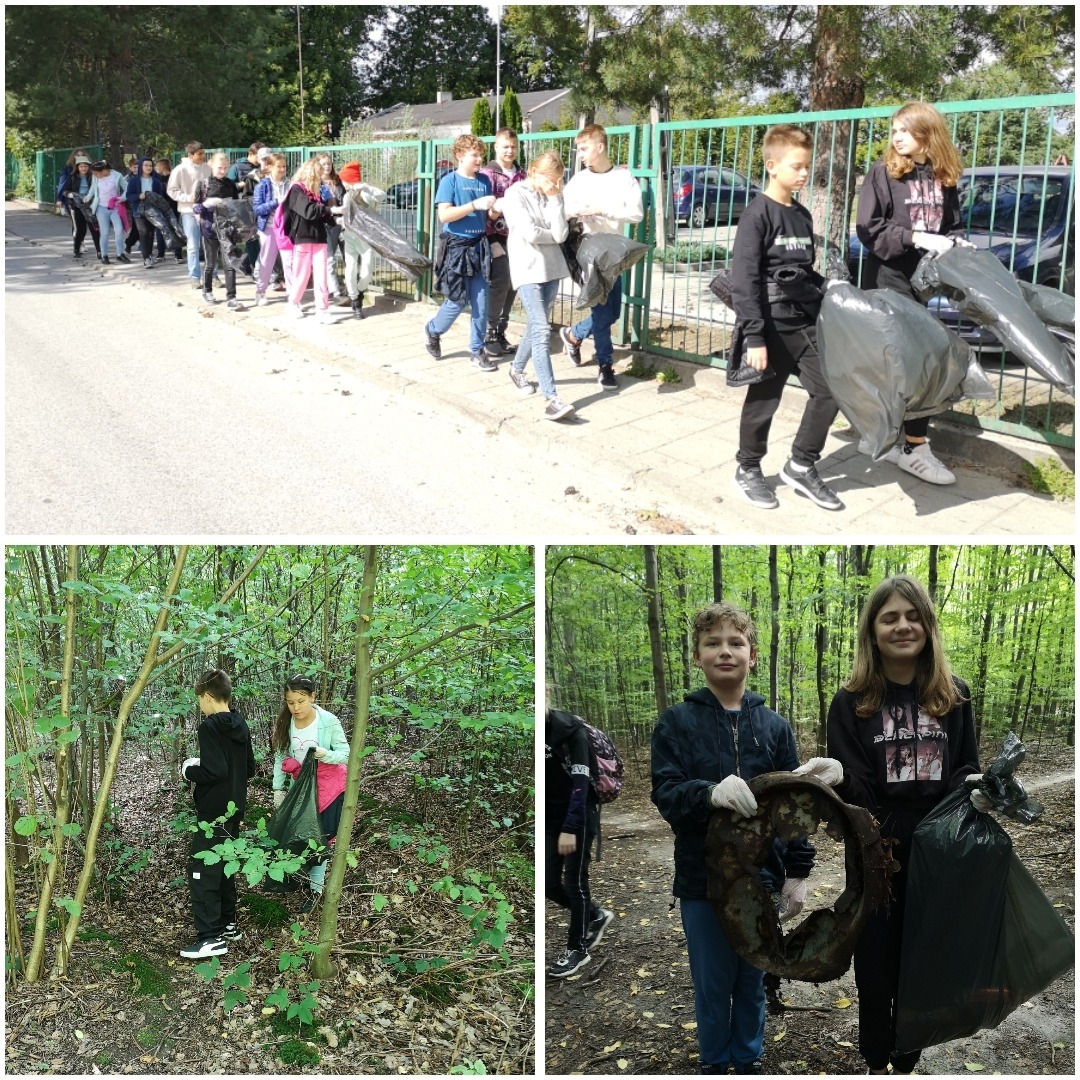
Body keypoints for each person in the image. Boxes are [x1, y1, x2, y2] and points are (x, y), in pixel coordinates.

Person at [817, 573, 980, 1075]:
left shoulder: (955, 694)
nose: (902, 626)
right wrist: (839, 776)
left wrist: (978, 789)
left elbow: (963, 769)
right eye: (890, 617)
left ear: (928, 626)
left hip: (937, 849)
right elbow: (858, 793)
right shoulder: (851, 701)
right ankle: (874, 1059)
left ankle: (908, 1057)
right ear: (872, 630)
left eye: (913, 616)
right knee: (876, 961)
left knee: (922, 957)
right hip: (874, 849)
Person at [652, 602, 814, 1075]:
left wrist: (798, 874)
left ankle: (748, 1059)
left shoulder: (774, 727)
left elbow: (795, 808)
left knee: (753, 973)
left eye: (735, 642)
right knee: (712, 978)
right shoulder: (677, 722)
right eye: (713, 643)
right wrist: (707, 793)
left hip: (763, 877)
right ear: (697, 656)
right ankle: (714, 1061)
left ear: (753, 655)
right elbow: (665, 793)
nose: (725, 651)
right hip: (703, 880)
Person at [855, 101, 975, 486]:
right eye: (894, 131)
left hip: (923, 283)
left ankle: (887, 438)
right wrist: (914, 237)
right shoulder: (883, 174)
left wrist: (956, 241)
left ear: (928, 133)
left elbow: (953, 223)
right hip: (887, 280)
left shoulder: (945, 177)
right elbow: (868, 227)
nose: (897, 138)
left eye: (905, 130)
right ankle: (915, 447)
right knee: (920, 361)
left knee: (908, 365)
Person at [729, 123, 843, 512]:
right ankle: (748, 468)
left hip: (804, 320)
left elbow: (805, 270)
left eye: (807, 166)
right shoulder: (756, 216)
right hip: (770, 323)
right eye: (797, 166)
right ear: (772, 165)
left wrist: (831, 287)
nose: (804, 173)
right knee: (764, 399)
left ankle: (800, 464)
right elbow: (743, 281)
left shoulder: (802, 214)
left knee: (830, 391)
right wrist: (755, 338)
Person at [560, 124, 645, 391]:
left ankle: (573, 335)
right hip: (587, 250)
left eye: (584, 149)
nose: (580, 154)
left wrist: (603, 210)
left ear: (600, 146)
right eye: (578, 150)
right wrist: (577, 212)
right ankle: (605, 365)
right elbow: (563, 208)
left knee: (612, 313)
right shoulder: (579, 180)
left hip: (613, 251)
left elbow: (636, 213)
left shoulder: (623, 178)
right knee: (600, 308)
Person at [179, 668, 256, 959]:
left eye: (199, 699)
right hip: (234, 808)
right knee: (225, 864)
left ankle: (210, 937)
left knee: (201, 869)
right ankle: (228, 924)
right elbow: (248, 768)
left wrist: (189, 770)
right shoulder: (240, 724)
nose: (199, 704)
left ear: (209, 697)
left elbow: (214, 770)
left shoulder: (209, 727)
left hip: (213, 812)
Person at [501, 150, 575, 421]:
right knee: (543, 330)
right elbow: (529, 232)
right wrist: (551, 236)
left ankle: (517, 369)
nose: (554, 186)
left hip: (552, 268)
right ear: (533, 173)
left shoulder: (553, 194)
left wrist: (556, 198)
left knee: (536, 326)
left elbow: (560, 233)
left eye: (559, 181)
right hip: (527, 269)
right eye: (550, 181)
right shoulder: (514, 194)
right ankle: (552, 398)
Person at [270, 674, 350, 911]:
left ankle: (315, 892)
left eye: (301, 701)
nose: (296, 707)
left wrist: (326, 754)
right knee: (301, 836)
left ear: (312, 697)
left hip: (330, 788)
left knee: (320, 838)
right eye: (291, 702)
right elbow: (281, 757)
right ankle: (302, 880)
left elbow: (346, 754)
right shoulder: (286, 722)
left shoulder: (328, 721)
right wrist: (277, 789)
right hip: (302, 790)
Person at [545, 708, 614, 978]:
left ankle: (577, 949)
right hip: (550, 819)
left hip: (579, 816)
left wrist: (570, 828)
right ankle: (596, 914)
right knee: (548, 884)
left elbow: (581, 783)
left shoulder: (574, 733)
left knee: (575, 883)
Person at [424, 133, 499, 372]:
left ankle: (477, 351)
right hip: (456, 247)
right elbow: (444, 215)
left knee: (481, 302)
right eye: (474, 154)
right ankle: (433, 330)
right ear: (459, 155)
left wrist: (497, 209)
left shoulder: (484, 181)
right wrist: (473, 205)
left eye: (481, 154)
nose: (480, 159)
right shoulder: (449, 181)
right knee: (456, 301)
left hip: (479, 246)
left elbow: (488, 216)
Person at [479, 128, 527, 357]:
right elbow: (483, 211)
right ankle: (488, 333)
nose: (510, 151)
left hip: (518, 237)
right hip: (494, 235)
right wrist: (489, 238)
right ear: (496, 147)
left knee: (513, 283)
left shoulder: (523, 175)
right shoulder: (487, 174)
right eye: (505, 146)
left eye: (514, 146)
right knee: (499, 281)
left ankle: (500, 331)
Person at [283, 157, 341, 322]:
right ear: (311, 173)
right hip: (302, 237)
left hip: (319, 237)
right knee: (302, 274)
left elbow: (322, 214)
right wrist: (330, 210)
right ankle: (293, 303)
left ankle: (322, 310)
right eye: (318, 173)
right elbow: (308, 211)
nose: (321, 177)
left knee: (321, 274)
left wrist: (336, 219)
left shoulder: (318, 190)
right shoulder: (296, 190)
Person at [337, 160, 387, 319]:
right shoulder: (346, 196)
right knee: (350, 268)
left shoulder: (366, 193)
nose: (342, 183)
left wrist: (365, 186)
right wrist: (342, 222)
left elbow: (382, 195)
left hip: (365, 237)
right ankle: (355, 300)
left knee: (366, 270)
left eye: (344, 180)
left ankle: (359, 292)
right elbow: (347, 214)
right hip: (350, 236)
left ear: (350, 180)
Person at [193, 152, 242, 309]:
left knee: (230, 264)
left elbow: (236, 206)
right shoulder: (203, 184)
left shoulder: (230, 184)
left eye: (226, 168)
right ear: (211, 165)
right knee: (211, 263)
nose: (223, 171)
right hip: (209, 228)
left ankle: (232, 297)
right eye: (220, 168)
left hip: (227, 229)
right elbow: (196, 208)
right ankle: (207, 291)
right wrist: (206, 205)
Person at [168, 141, 211, 287]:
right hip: (189, 212)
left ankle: (213, 275)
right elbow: (171, 190)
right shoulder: (180, 170)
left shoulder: (207, 168)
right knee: (193, 245)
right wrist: (187, 198)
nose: (203, 156)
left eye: (203, 153)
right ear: (190, 155)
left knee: (210, 244)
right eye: (199, 154)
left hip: (206, 211)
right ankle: (194, 277)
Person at [252, 152, 293, 305]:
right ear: (269, 167)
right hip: (268, 227)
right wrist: (276, 202)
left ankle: (293, 296)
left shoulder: (289, 184)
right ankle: (261, 291)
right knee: (266, 261)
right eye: (279, 166)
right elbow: (257, 209)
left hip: (286, 228)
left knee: (289, 262)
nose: (282, 170)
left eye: (284, 166)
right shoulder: (262, 185)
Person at [55, 150, 101, 260]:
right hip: (76, 206)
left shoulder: (93, 177)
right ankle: (76, 249)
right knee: (80, 229)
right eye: (81, 167)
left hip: (90, 205)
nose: (84, 169)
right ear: (77, 167)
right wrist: (69, 194)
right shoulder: (72, 177)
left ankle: (99, 251)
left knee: (94, 228)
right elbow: (65, 190)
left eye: (86, 166)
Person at [124, 155, 168, 268]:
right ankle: (146, 258)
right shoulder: (134, 181)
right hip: (138, 211)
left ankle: (149, 254)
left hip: (153, 211)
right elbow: (129, 196)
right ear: (141, 167)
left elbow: (160, 196)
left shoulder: (156, 182)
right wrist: (139, 196)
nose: (148, 167)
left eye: (150, 165)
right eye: (146, 165)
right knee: (143, 232)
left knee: (150, 233)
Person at [315, 152, 347, 300]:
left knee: (349, 256)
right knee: (329, 259)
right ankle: (335, 292)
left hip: (342, 223)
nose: (327, 166)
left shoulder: (337, 180)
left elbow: (345, 199)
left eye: (329, 163)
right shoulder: (316, 184)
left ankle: (349, 288)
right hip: (326, 224)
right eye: (323, 164)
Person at [86, 159, 128, 265]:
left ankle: (120, 254)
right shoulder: (96, 178)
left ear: (103, 170)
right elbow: (92, 189)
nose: (94, 175)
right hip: (101, 208)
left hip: (115, 207)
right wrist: (88, 197)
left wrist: (122, 198)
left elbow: (127, 188)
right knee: (104, 232)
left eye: (96, 173)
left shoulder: (116, 175)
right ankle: (104, 255)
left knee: (118, 230)